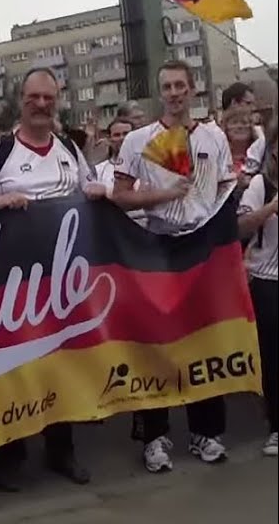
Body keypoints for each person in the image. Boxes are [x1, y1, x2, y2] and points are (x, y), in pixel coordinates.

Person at [0, 67, 106, 491]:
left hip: (63, 284)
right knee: (15, 369)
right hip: (14, 287)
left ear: (57, 101)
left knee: (61, 365)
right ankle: (9, 456)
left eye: (49, 98)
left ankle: (61, 450)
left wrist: (98, 191)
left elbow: (91, 190)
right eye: (34, 98)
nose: (42, 105)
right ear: (21, 101)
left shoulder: (68, 148)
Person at [111, 60, 237, 472]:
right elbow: (120, 195)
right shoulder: (138, 140)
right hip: (158, 246)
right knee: (156, 343)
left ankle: (206, 432)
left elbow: (225, 188)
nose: (174, 93)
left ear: (192, 89)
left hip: (203, 247)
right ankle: (154, 436)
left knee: (205, 341)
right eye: (167, 86)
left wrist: (213, 217)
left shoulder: (214, 136)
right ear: (159, 92)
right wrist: (162, 196)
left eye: (180, 85)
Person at [237, 125, 278, 457]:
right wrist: (271, 208)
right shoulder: (260, 186)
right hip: (267, 281)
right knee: (273, 357)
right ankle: (276, 427)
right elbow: (240, 226)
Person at [220, 82, 267, 176]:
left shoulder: (260, 138)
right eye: (248, 103)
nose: (253, 108)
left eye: (244, 123)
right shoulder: (214, 138)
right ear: (234, 103)